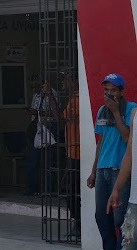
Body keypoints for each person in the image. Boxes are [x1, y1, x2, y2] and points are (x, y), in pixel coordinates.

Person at [90, 73, 137, 250]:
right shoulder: (102, 111)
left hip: (120, 169)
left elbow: (127, 138)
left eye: (113, 90)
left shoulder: (132, 110)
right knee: (102, 215)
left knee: (120, 217)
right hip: (103, 169)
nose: (109, 94)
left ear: (122, 92)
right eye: (106, 90)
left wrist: (116, 112)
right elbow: (100, 142)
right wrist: (94, 171)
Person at [25, 79, 59, 195]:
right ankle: (32, 188)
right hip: (36, 129)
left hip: (47, 128)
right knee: (32, 160)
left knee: (47, 161)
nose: (34, 89)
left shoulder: (52, 93)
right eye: (32, 87)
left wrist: (38, 113)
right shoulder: (35, 96)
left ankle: (47, 189)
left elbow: (56, 114)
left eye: (36, 86)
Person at [60, 72, 81, 238]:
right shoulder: (73, 98)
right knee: (71, 189)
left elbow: (65, 118)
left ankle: (80, 222)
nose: (62, 82)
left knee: (69, 188)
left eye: (65, 79)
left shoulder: (77, 99)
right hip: (72, 151)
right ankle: (79, 222)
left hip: (78, 153)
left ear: (74, 81)